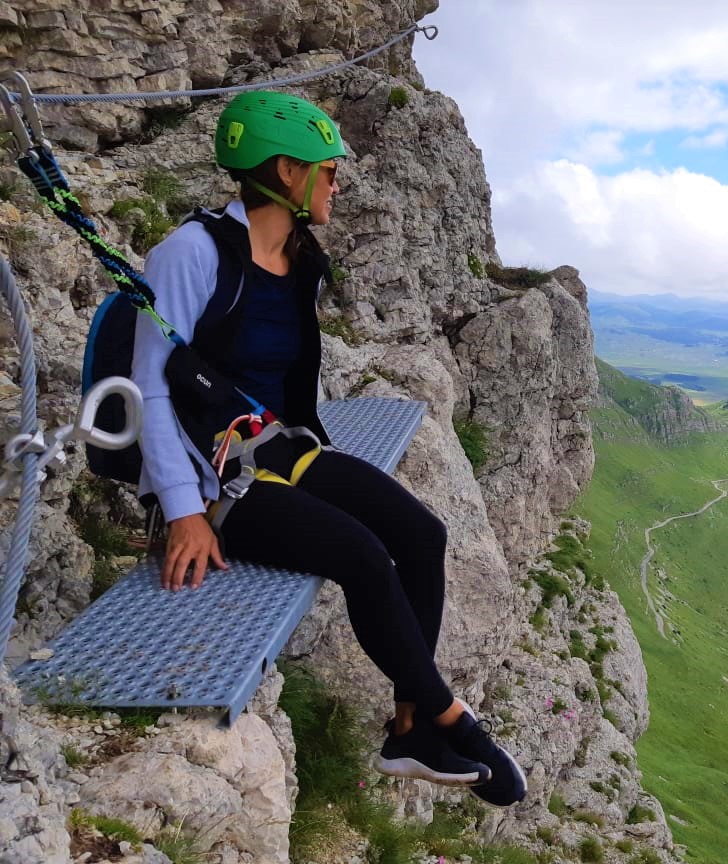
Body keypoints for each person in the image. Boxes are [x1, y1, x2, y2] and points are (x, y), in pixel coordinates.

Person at [131, 90, 526, 807]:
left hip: (275, 450)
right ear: (286, 170)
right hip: (213, 480)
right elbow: (152, 385)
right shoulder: (190, 254)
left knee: (422, 534)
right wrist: (184, 510)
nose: (338, 183)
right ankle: (448, 717)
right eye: (329, 170)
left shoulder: (298, 258)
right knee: (363, 556)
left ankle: (409, 726)